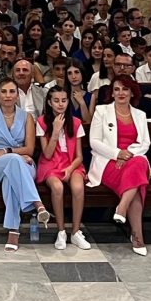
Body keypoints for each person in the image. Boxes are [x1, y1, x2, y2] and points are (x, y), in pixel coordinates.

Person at [0, 77, 51, 252]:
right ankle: (37, 204)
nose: (8, 95)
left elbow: (29, 148)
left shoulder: (26, 117)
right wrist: (14, 154)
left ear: (17, 95)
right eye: (4, 92)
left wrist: (8, 152)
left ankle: (14, 231)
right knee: (13, 162)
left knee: (10, 179)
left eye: (12, 91)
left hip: (24, 165)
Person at [88, 77, 151, 256]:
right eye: (117, 89)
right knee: (136, 186)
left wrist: (127, 154)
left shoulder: (140, 115)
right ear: (112, 93)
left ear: (132, 92)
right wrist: (117, 154)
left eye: (125, 89)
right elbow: (94, 141)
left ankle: (122, 208)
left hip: (133, 160)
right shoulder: (102, 111)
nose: (121, 93)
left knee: (138, 164)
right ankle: (137, 236)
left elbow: (145, 143)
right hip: (108, 162)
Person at [37, 87, 90, 250]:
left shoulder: (76, 123)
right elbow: (46, 154)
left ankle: (75, 231)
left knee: (78, 187)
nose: (60, 104)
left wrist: (70, 169)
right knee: (58, 187)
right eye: (56, 100)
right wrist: (55, 131)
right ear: (49, 102)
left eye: (64, 100)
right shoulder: (41, 122)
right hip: (51, 164)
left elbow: (79, 156)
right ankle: (61, 231)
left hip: (72, 164)